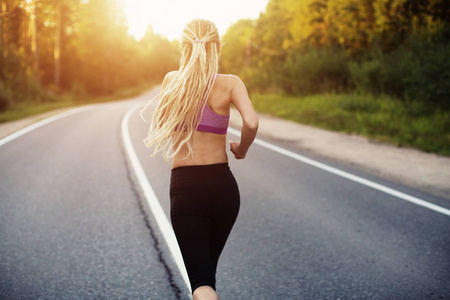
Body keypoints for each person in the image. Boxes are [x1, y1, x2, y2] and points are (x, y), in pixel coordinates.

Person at [140, 19, 259, 300]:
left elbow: (163, 124)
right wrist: (242, 149)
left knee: (201, 282)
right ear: (217, 47)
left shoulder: (172, 81)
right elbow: (251, 123)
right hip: (224, 188)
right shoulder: (231, 83)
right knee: (207, 275)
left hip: (186, 189)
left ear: (184, 47)